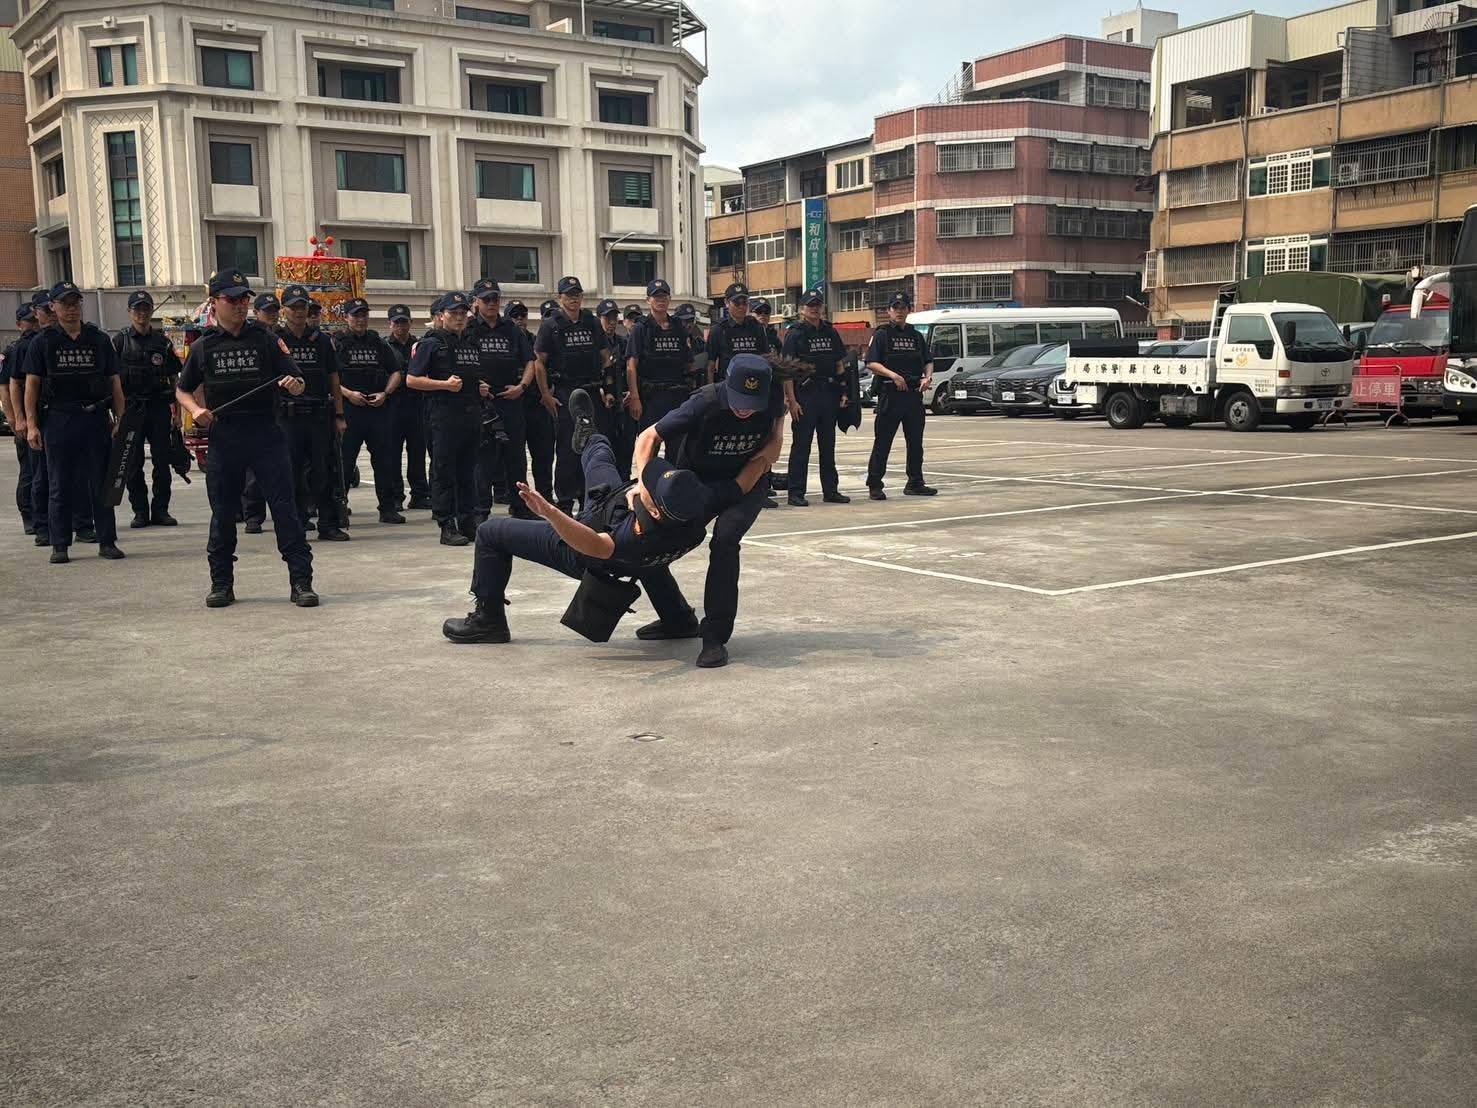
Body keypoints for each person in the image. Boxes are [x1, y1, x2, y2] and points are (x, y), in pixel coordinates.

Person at [442, 389, 779, 645]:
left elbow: (592, 544)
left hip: (586, 543)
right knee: (603, 463)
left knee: (491, 532)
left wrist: (551, 513)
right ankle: (677, 617)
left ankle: (488, 620)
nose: (648, 482)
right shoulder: (697, 513)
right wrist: (770, 445)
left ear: (655, 508)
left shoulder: (630, 537)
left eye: (652, 487)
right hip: (635, 535)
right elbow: (742, 482)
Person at [632, 352, 785, 668]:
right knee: (651, 537)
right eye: (739, 400)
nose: (745, 409)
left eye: (752, 402)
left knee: (725, 539)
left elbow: (772, 449)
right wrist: (644, 487)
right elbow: (649, 437)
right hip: (697, 481)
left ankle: (714, 637)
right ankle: (677, 618)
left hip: (745, 483)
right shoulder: (704, 402)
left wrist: (740, 486)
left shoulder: (772, 400)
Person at [175, 268, 316, 608]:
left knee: (285, 509)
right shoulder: (204, 346)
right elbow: (182, 390)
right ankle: (221, 583)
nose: (240, 305)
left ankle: (301, 582)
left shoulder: (266, 340)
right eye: (232, 299)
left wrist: (295, 385)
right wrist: (196, 409)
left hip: (266, 432)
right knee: (223, 512)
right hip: (225, 435)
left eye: (244, 299)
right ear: (214, 302)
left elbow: (298, 380)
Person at [22, 280, 127, 563]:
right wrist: (31, 425)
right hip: (59, 418)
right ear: (53, 307)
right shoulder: (43, 342)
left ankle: (107, 541)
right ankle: (60, 545)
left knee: (101, 483)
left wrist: (121, 419)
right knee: (59, 484)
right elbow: (31, 385)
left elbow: (114, 382)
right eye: (65, 304)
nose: (71, 309)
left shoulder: (98, 339)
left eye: (75, 303)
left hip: (95, 418)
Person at [407, 290, 483, 546]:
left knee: (468, 471)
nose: (459, 318)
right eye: (454, 313)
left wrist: (480, 387)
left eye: (463, 313)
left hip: (471, 413)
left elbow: (472, 376)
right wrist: (443, 385)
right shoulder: (431, 343)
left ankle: (468, 521)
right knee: (444, 470)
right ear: (441, 315)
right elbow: (412, 380)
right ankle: (446, 524)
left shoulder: (471, 343)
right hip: (443, 414)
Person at [21, 290, 94, 548]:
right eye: (47, 309)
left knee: (81, 477)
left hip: (81, 417)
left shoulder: (86, 339)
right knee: (46, 479)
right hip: (49, 417)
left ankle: (83, 525)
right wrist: (25, 421)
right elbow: (20, 385)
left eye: (75, 303)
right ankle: (45, 529)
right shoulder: (35, 344)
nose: (68, 310)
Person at [276, 285, 349, 540]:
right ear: (283, 310)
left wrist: (339, 415)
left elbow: (333, 378)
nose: (298, 312)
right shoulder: (275, 340)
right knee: (291, 472)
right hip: (288, 417)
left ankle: (328, 524)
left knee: (324, 470)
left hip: (319, 414)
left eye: (302, 307)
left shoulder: (322, 340)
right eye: (293, 307)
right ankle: (297, 524)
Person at [534, 275, 611, 513]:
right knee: (567, 449)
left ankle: (590, 499)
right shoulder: (551, 325)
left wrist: (606, 388)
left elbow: (605, 356)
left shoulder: (591, 322)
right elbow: (539, 362)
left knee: (592, 445)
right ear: (560, 298)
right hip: (566, 391)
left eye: (577, 294)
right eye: (569, 295)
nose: (573, 299)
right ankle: (565, 501)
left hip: (591, 390)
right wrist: (545, 394)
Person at [467, 278, 536, 521]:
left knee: (516, 457)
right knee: (483, 460)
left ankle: (520, 507)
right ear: (476, 301)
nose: (491, 303)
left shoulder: (511, 329)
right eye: (486, 299)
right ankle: (480, 512)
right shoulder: (469, 329)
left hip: (510, 400)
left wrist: (522, 386)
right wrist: (475, 385)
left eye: (495, 298)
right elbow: (460, 363)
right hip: (481, 403)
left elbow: (530, 361)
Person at [114, 290, 184, 528]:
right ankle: (140, 512)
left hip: (159, 408)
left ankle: (161, 510)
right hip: (131, 409)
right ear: (129, 311)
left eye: (146, 308)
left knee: (162, 462)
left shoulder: (162, 342)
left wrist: (177, 414)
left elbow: (174, 379)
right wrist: (116, 416)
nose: (142, 313)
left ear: (152, 311)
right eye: (137, 309)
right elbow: (112, 381)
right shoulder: (120, 341)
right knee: (132, 464)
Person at [334, 297, 406, 525]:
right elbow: (330, 377)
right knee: (344, 462)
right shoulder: (338, 343)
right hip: (350, 410)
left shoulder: (377, 342)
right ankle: (339, 509)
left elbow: (396, 372)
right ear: (346, 317)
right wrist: (348, 394)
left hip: (377, 409)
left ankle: (388, 508)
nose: (360, 319)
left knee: (385, 462)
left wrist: (385, 393)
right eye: (355, 315)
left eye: (364, 315)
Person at [783, 287, 852, 507]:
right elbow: (787, 372)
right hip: (805, 395)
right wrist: (792, 401)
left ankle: (831, 490)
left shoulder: (830, 332)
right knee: (801, 446)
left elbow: (839, 364)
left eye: (817, 305)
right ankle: (796, 492)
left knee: (828, 445)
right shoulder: (794, 334)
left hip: (828, 394)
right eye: (810, 305)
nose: (814, 309)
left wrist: (843, 391)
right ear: (801, 309)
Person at [865, 292, 937, 500]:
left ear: (908, 310)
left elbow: (928, 360)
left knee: (915, 443)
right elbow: (871, 363)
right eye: (895, 308)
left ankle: (915, 483)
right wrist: (893, 375)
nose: (899, 311)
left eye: (903, 307)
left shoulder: (916, 336)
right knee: (883, 442)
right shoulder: (882, 335)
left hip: (913, 395)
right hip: (891, 394)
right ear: (889, 311)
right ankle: (875, 485)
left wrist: (927, 378)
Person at [625, 278, 694, 448]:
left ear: (669, 299)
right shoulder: (640, 328)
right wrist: (635, 397)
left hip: (677, 396)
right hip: (651, 398)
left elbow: (689, 363)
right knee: (649, 449)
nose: (661, 300)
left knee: (678, 448)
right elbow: (631, 365)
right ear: (648, 300)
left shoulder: (678, 327)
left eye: (664, 296)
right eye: (656, 297)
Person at [240, 293, 281, 533]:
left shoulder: (280, 338)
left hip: (280, 408)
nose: (272, 315)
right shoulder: (249, 338)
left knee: (283, 465)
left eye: (275, 310)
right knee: (254, 469)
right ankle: (253, 515)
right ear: (256, 313)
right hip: (253, 408)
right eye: (267, 311)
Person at [386, 304, 430, 510]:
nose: (400, 326)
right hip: (393, 406)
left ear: (411, 323)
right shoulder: (384, 346)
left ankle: (419, 494)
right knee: (392, 453)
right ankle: (396, 496)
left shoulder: (419, 345)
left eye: (404, 322)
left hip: (416, 404)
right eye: (396, 322)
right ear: (390, 324)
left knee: (417, 452)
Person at [1, 303, 39, 536]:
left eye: (36, 320)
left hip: (43, 416)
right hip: (24, 419)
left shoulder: (43, 344)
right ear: (18, 324)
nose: (34, 325)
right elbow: (6, 388)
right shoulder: (14, 350)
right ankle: (28, 515)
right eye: (29, 321)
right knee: (28, 471)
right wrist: (15, 420)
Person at [511, 300, 555, 501]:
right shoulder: (507, 341)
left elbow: (548, 368)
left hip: (538, 404)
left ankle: (545, 495)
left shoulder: (537, 341)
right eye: (515, 316)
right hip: (516, 404)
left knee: (544, 454)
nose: (519, 320)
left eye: (523, 316)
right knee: (516, 457)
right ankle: (519, 499)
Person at [706, 282, 768, 385]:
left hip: (754, 385)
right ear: (727, 303)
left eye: (744, 302)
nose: (741, 307)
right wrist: (711, 391)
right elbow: (710, 365)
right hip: (729, 386)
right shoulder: (718, 330)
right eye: (737, 303)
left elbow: (766, 359)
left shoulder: (757, 328)